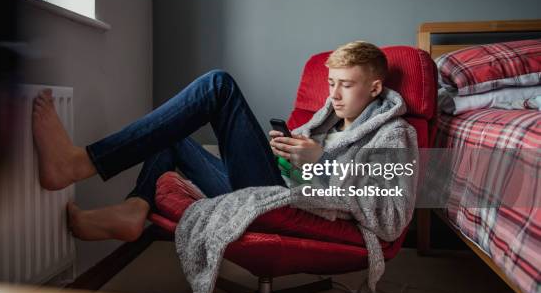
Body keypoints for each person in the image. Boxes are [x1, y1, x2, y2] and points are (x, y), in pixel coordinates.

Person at [32, 41, 392, 242]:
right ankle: (135, 210)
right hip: (272, 190)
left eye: (346, 84)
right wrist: (284, 153)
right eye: (331, 83)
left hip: (286, 205)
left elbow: (389, 210)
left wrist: (320, 159)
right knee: (170, 134)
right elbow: (301, 170)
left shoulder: (393, 134)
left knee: (217, 86)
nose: (335, 94)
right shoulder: (325, 121)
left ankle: (81, 163)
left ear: (375, 88)